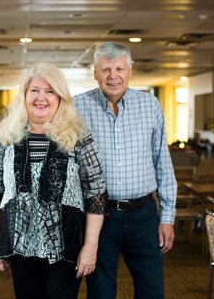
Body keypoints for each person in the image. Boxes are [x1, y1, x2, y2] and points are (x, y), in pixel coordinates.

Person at [0, 62, 107, 298]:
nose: (42, 97)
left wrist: (90, 248)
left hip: (66, 247)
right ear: (24, 95)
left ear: (60, 98)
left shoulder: (78, 137)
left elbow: (96, 196)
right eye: (35, 90)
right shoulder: (7, 137)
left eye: (50, 91)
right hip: (20, 247)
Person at [73, 42, 177, 299]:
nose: (113, 75)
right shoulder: (77, 107)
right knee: (101, 292)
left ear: (130, 71)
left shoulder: (149, 104)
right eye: (106, 69)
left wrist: (167, 217)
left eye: (119, 68)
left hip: (143, 215)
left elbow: (162, 161)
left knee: (152, 290)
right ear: (95, 72)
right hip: (99, 216)